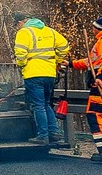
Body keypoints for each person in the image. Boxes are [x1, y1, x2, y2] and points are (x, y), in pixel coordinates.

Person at [70, 16, 102, 162]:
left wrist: (99, 77)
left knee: (93, 113)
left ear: (97, 27)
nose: (92, 29)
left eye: (93, 27)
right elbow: (90, 62)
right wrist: (70, 64)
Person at [13, 13, 70, 145]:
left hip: (33, 74)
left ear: (21, 22)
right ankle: (54, 133)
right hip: (49, 74)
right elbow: (64, 46)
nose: (18, 27)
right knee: (46, 104)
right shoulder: (50, 31)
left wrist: (21, 65)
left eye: (17, 25)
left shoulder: (24, 32)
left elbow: (20, 53)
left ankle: (42, 136)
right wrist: (58, 61)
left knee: (38, 105)